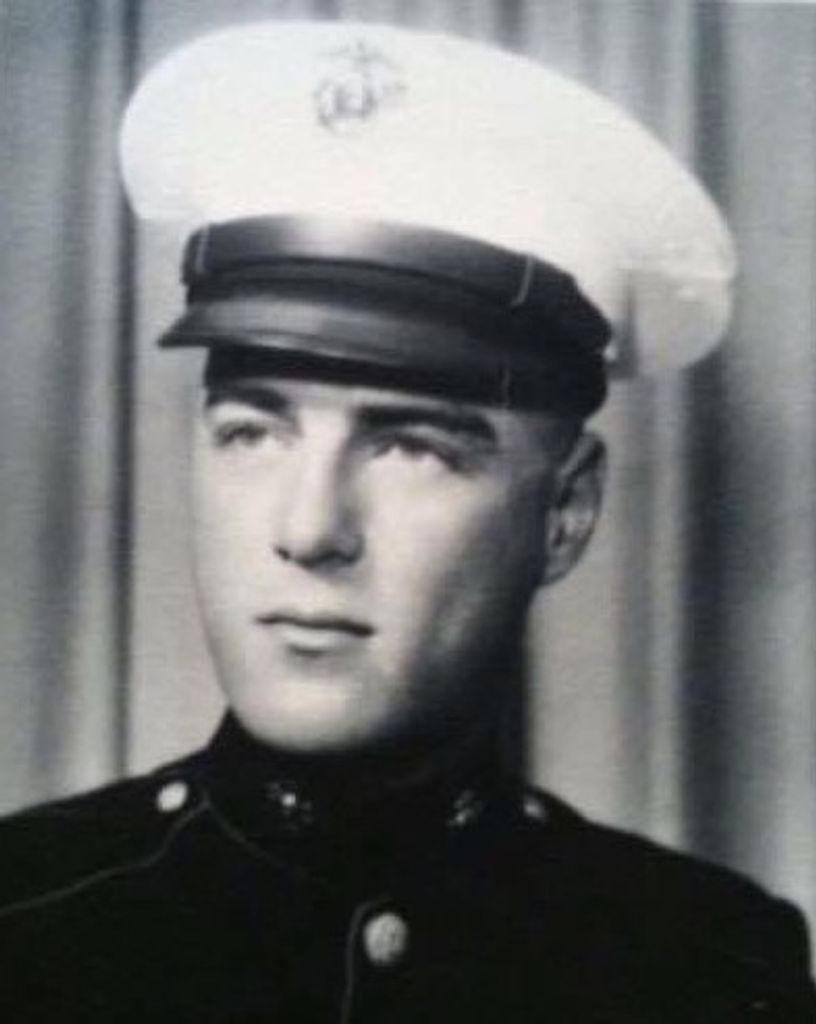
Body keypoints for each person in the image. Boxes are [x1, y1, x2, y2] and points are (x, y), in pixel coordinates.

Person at [0, 20, 814, 1023]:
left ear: (566, 513)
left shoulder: (713, 971)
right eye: (254, 432)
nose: (310, 530)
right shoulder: (25, 926)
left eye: (411, 447)